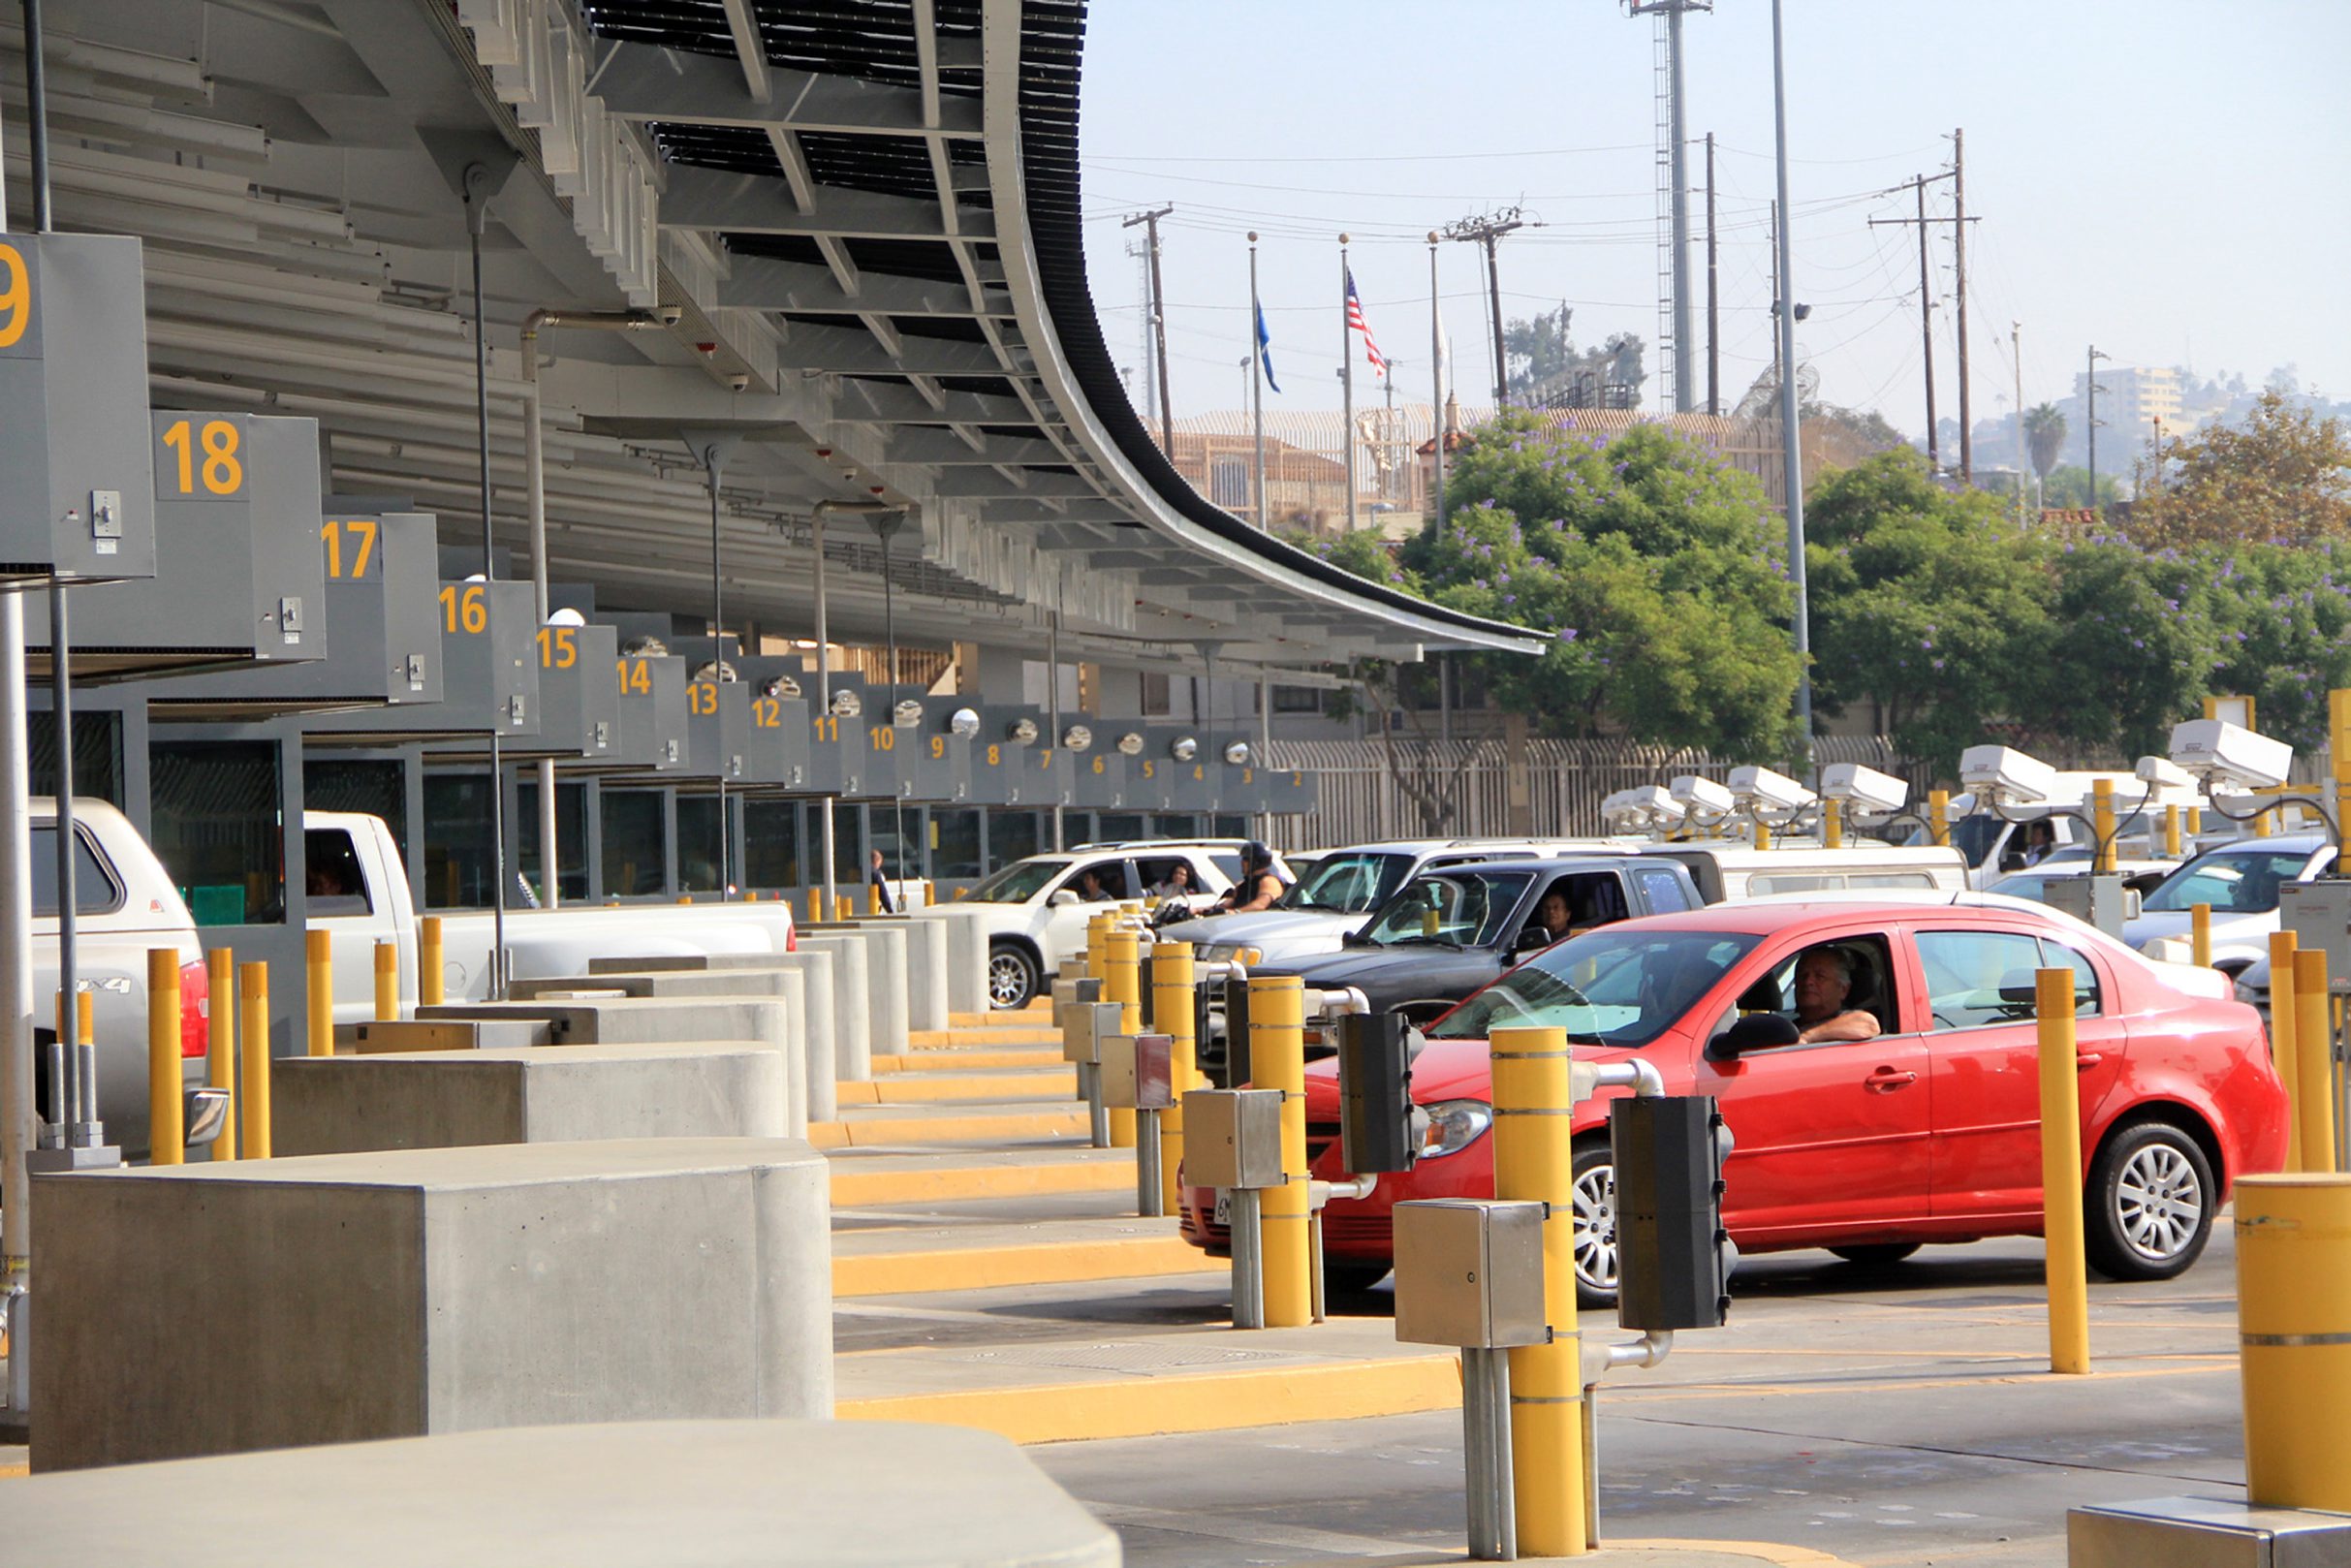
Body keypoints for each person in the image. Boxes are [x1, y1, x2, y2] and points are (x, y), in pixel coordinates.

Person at [1791, 947, 1880, 1044]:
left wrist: (1807, 1037)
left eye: (1820, 976)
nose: (1808, 981)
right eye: (1802, 975)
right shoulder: (1787, 1028)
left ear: (1843, 990)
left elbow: (1869, 1025)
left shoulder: (1849, 1021)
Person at [868, 847, 896, 914]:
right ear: (877, 861)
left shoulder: (862, 872)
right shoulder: (876, 874)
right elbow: (882, 892)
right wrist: (889, 910)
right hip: (873, 906)